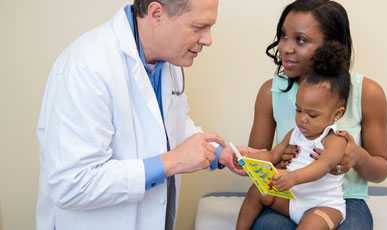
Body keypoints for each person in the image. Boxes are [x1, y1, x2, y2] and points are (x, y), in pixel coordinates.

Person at [36, 0, 245, 229]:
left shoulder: (168, 59)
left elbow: (170, 125)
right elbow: (72, 184)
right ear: (156, 13)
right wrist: (172, 161)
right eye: (198, 27)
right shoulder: (87, 66)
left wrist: (220, 153)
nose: (208, 39)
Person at [249, 0, 387, 229]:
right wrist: (274, 158)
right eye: (283, 36)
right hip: (290, 194)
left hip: (343, 200)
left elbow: (381, 170)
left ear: (331, 45)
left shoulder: (368, 93)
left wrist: (358, 157)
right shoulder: (270, 92)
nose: (286, 48)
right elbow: (254, 162)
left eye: (301, 40)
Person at [237, 42, 351, 230]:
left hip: (322, 206)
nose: (303, 119)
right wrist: (246, 157)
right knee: (257, 191)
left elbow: (323, 166)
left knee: (310, 226)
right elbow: (272, 156)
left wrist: (292, 178)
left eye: (312, 115)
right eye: (299, 110)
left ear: (337, 114)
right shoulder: (294, 133)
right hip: (293, 200)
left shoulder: (335, 139)